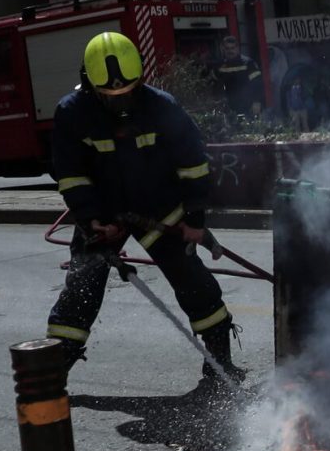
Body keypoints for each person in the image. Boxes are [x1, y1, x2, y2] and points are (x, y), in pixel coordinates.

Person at [46, 31, 245, 396]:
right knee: (81, 290)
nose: (122, 103)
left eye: (129, 92)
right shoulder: (72, 114)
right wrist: (90, 220)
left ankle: (220, 365)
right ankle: (49, 374)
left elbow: (194, 166)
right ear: (90, 85)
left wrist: (196, 221)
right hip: (103, 216)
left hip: (160, 211)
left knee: (194, 282)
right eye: (111, 96)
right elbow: (70, 175)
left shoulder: (162, 107)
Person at [212, 36, 262, 117]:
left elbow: (258, 84)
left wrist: (257, 102)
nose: (230, 51)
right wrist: (217, 102)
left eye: (232, 48)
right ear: (223, 49)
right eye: (227, 48)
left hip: (248, 106)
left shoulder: (248, 63)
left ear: (238, 48)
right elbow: (216, 86)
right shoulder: (220, 66)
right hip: (229, 108)